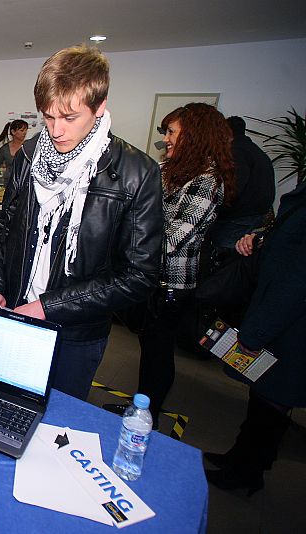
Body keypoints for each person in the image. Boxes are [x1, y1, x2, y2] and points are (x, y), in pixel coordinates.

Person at [0, 45, 163, 401]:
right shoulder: (30, 155)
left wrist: (50, 306)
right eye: (48, 117)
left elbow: (139, 275)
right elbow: (5, 229)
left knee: (57, 426)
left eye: (69, 118)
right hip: (15, 311)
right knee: (5, 408)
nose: (56, 130)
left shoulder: (136, 172)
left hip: (76, 335)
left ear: (100, 106)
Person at [114, 103, 235, 424]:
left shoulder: (207, 182)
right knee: (150, 348)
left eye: (172, 132)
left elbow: (171, 238)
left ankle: (146, 416)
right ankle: (142, 407)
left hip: (171, 285)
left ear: (194, 135)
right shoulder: (177, 170)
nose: (166, 139)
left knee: (158, 352)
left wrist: (123, 238)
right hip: (154, 278)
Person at [204, 180, 306, 495]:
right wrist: (260, 238)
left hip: (289, 328)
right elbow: (287, 237)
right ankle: (239, 459)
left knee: (271, 407)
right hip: (277, 318)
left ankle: (246, 475)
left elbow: (297, 284)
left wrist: (256, 332)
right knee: (262, 399)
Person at [208, 116, 275, 250]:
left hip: (237, 220)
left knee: (225, 259)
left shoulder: (235, 152)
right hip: (258, 216)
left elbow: (233, 188)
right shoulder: (257, 151)